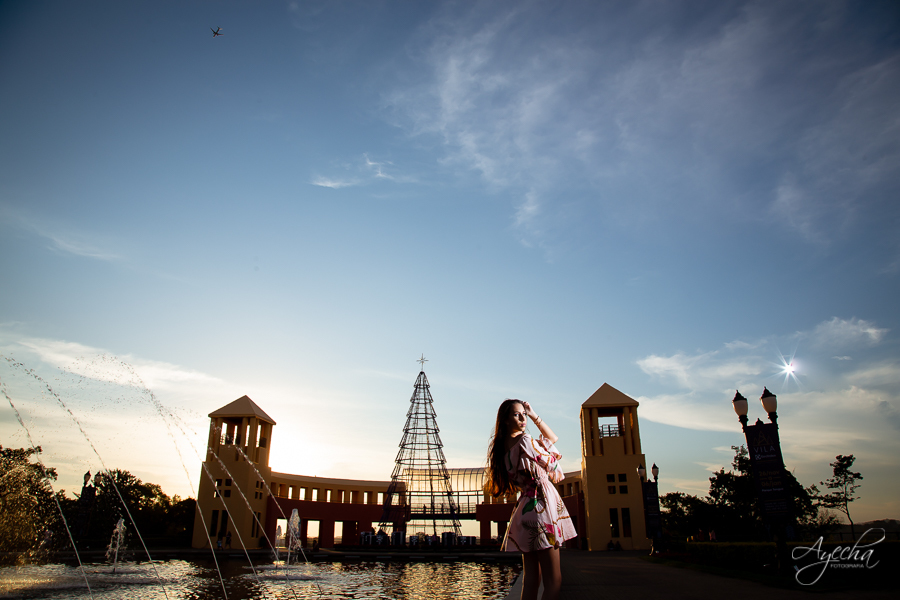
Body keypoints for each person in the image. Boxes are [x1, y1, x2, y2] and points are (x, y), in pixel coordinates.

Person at [488, 399, 576, 600]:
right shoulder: (526, 441)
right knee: (554, 581)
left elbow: (549, 442)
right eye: (517, 414)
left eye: (524, 414)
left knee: (531, 580)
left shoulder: (503, 450)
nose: (523, 418)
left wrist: (531, 414)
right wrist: (535, 415)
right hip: (542, 510)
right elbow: (552, 447)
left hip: (525, 509)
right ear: (505, 419)